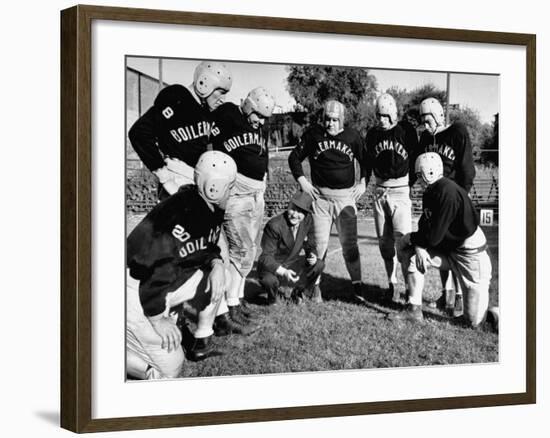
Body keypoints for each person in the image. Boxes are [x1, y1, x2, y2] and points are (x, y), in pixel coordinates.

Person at [126, 151, 242, 380]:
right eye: (230, 185)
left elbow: (205, 246)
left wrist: (217, 262)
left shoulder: (203, 206)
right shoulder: (183, 213)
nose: (234, 191)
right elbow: (149, 266)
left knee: (221, 276)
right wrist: (158, 317)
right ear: (214, 187)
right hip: (134, 287)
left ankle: (198, 333)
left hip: (151, 281)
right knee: (170, 368)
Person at [394, 152, 494, 328]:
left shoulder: (447, 192)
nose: (418, 180)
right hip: (450, 250)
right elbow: (425, 226)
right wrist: (417, 247)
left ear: (428, 173)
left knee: (474, 322)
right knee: (410, 254)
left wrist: (414, 240)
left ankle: (500, 315)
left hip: (470, 256)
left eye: (419, 175)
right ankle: (413, 309)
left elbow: (433, 237)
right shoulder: (431, 192)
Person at [289, 100, 367, 300]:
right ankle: (315, 287)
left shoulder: (352, 136)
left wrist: (363, 182)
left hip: (345, 198)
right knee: (319, 246)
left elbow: (366, 160)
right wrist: (303, 182)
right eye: (327, 119)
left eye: (334, 120)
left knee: (350, 246)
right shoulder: (314, 134)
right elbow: (294, 158)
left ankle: (357, 286)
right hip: (321, 199)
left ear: (341, 120)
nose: (330, 123)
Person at [211, 87, 276, 323]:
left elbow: (263, 153)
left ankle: (237, 298)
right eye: (258, 115)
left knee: (248, 251)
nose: (260, 121)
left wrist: (265, 179)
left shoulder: (261, 127)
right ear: (249, 105)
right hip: (236, 192)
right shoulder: (228, 113)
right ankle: (229, 305)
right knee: (242, 249)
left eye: (264, 117)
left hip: (257, 192)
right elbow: (210, 141)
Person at [128, 61, 233, 201]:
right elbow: (139, 133)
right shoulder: (177, 97)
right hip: (177, 177)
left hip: (198, 178)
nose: (223, 99)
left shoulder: (208, 111)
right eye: (221, 92)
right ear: (205, 82)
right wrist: (164, 176)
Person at [414, 97, 477, 316]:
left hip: (454, 199)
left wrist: (462, 197)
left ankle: (459, 297)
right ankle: (446, 294)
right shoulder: (425, 137)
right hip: (435, 197)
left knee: (456, 247)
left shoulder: (457, 131)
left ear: (440, 114)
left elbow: (467, 168)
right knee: (439, 245)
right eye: (422, 120)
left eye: (429, 119)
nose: (426, 124)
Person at [364, 93, 418, 302]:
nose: (382, 120)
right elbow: (368, 162)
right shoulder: (372, 134)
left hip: (400, 189)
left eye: (386, 115)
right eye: (379, 115)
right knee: (384, 245)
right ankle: (392, 284)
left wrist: (409, 185)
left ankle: (410, 291)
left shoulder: (406, 130)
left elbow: (415, 158)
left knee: (403, 242)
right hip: (379, 190)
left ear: (394, 114)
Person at [257, 191, 325, 304]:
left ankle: (300, 292)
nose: (294, 215)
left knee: (319, 264)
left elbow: (311, 244)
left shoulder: (308, 220)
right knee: (269, 280)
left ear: (306, 214)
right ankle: (273, 297)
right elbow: (265, 257)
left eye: (300, 212)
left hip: (293, 263)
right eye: (293, 209)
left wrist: (312, 254)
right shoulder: (274, 225)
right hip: (274, 265)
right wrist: (283, 272)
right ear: (288, 206)